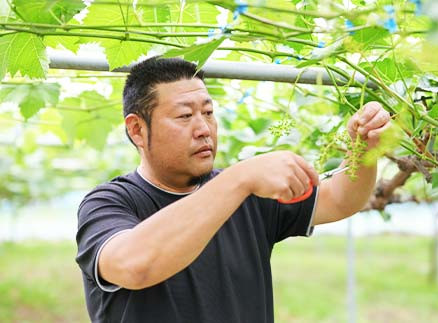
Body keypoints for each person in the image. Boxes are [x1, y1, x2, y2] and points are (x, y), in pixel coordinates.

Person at [76, 57, 391, 323]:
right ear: (137, 130)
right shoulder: (110, 202)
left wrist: (364, 150)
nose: (203, 129)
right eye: (185, 116)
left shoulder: (247, 193)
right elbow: (134, 266)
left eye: (208, 113)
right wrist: (240, 178)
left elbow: (339, 199)